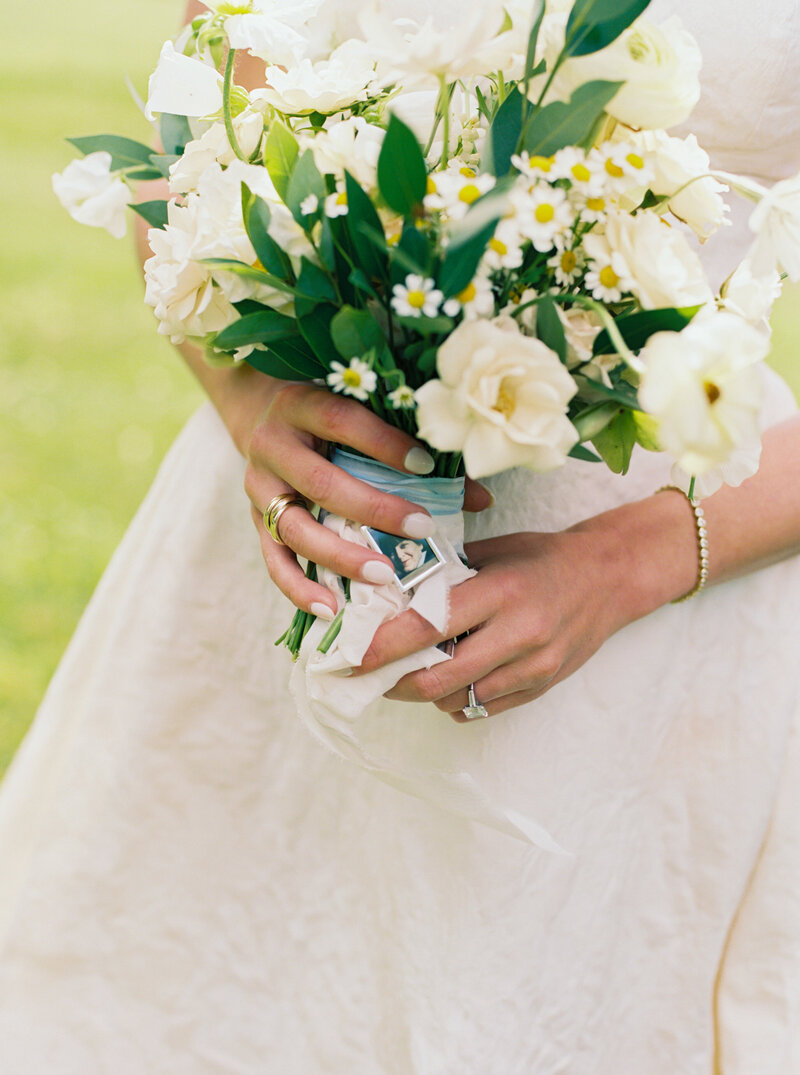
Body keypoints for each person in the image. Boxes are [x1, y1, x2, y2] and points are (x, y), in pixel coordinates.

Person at [0, 0, 799, 1071]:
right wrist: (247, 401)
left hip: (644, 642)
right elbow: (186, 133)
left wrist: (627, 561)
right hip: (281, 563)